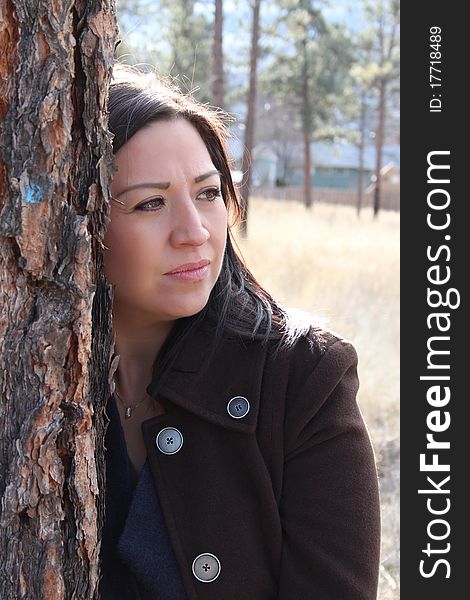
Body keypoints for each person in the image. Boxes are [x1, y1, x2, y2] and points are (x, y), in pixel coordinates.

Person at [99, 63, 381, 600]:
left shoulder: (303, 379)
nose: (195, 232)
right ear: (78, 219)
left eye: (208, 194)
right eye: (150, 203)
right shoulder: (28, 386)